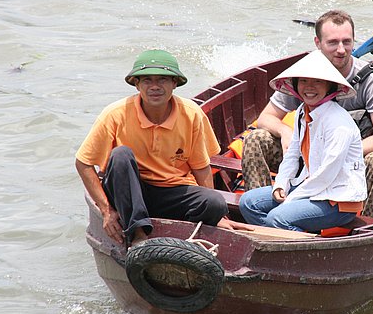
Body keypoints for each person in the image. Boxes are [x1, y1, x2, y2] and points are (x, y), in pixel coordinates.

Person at [75, 49, 251, 248]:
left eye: (163, 80)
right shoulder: (115, 114)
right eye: (147, 80)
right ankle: (138, 233)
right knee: (121, 155)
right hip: (129, 190)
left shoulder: (191, 114)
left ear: (174, 83)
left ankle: (177, 228)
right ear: (137, 84)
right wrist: (106, 210)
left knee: (215, 202)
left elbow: (201, 167)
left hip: (172, 192)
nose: (155, 87)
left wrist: (217, 216)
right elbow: (83, 163)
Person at [242, 10, 373, 219]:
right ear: (318, 43)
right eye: (333, 42)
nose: (341, 50)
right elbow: (265, 118)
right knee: (255, 139)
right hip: (307, 158)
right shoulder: (305, 76)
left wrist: (340, 154)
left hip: (351, 163)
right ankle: (264, 214)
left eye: (347, 42)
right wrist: (285, 131)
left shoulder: (371, 80)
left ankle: (370, 228)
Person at [239, 50, 367, 232]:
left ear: (329, 86)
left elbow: (327, 174)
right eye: (304, 81)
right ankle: (280, 240)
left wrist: (290, 200)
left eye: (317, 81)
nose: (309, 87)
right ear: (296, 85)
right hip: (308, 187)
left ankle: (294, 250)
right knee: (248, 203)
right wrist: (281, 184)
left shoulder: (338, 122)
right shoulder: (302, 112)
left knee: (277, 217)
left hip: (338, 199)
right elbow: (292, 154)